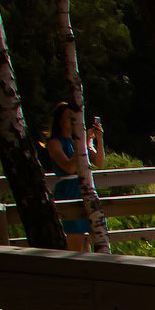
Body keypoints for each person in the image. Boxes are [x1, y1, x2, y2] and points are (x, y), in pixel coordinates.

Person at [43, 103, 102, 252]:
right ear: (60, 121)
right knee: (74, 238)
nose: (73, 121)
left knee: (90, 237)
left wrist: (98, 139)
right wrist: (80, 145)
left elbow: (99, 161)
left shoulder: (80, 142)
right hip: (68, 190)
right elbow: (68, 167)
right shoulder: (54, 143)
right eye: (69, 117)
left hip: (86, 189)